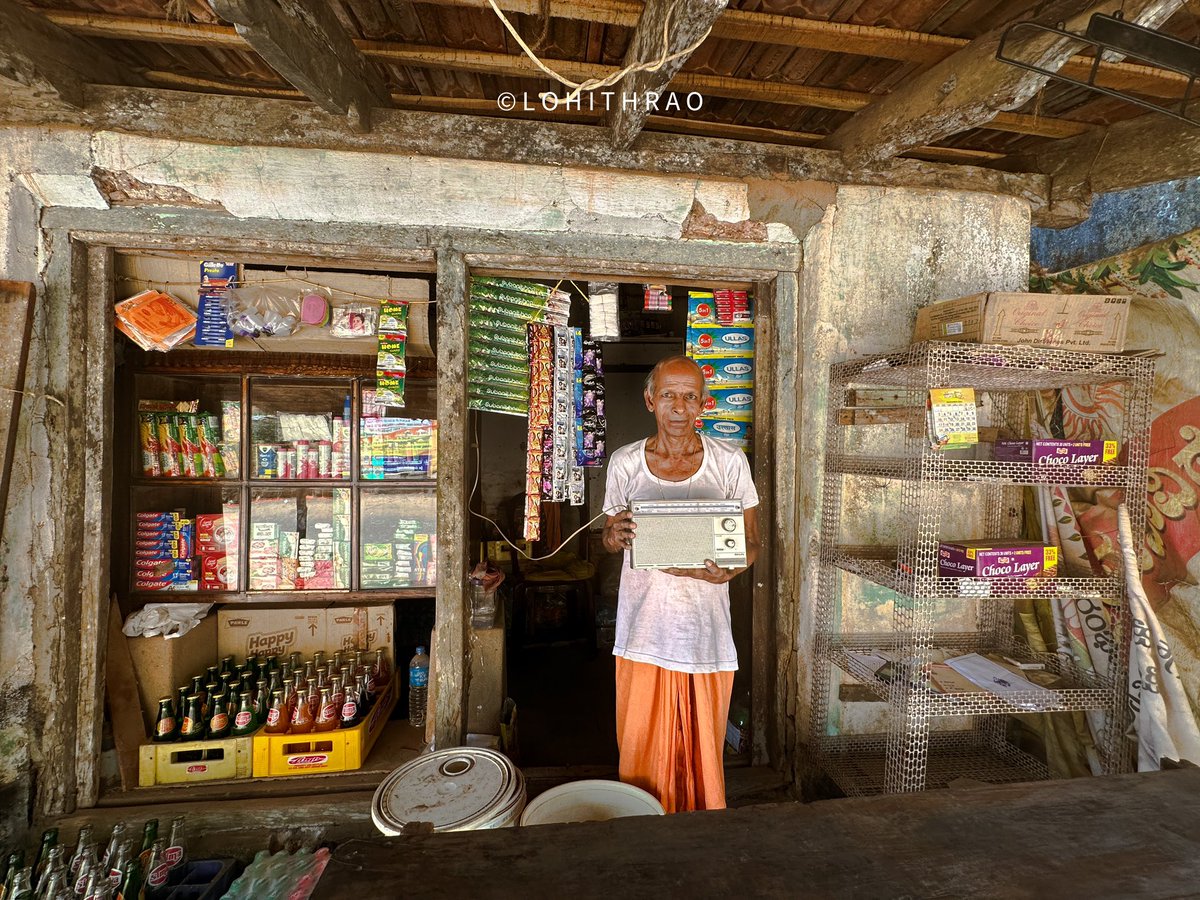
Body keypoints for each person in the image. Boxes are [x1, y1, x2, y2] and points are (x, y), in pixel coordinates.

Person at [601, 354, 760, 813]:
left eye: (690, 396)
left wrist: (730, 570)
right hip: (644, 631)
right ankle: (642, 820)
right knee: (642, 742)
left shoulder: (729, 462)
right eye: (668, 395)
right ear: (651, 400)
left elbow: (752, 543)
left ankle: (702, 829)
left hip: (705, 630)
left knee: (702, 744)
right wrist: (612, 536)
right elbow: (613, 536)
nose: (678, 406)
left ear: (703, 405)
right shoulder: (626, 462)